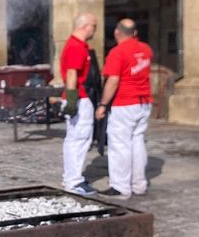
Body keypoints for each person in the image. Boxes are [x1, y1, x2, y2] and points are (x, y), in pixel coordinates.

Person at [95, 18, 153, 199]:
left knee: (119, 144)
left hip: (125, 103)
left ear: (117, 33)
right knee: (137, 141)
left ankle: (120, 187)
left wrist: (103, 104)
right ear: (135, 33)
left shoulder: (117, 52)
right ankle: (139, 184)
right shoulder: (146, 49)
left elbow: (113, 80)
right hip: (144, 102)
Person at [60, 12, 98, 196]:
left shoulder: (77, 45)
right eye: (94, 26)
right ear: (86, 26)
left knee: (75, 139)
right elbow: (72, 74)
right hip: (79, 97)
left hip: (78, 97)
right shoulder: (76, 47)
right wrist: (73, 100)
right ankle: (73, 181)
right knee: (79, 139)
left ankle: (72, 178)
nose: (95, 30)